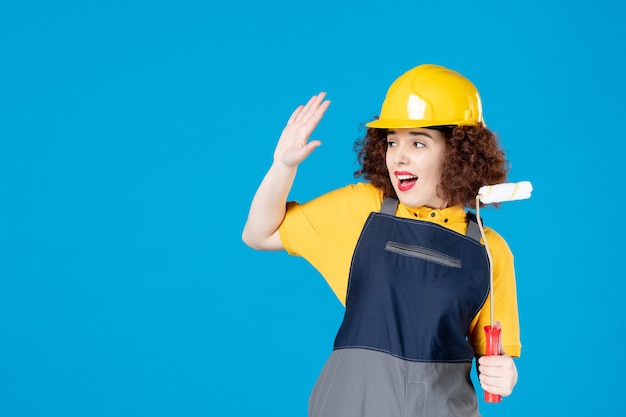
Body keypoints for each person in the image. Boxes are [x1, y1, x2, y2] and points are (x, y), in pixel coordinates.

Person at [242, 64, 520, 417]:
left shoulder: (489, 250)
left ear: (459, 153)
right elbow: (258, 233)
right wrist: (283, 166)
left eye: (418, 142)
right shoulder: (362, 210)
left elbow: (497, 352)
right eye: (392, 142)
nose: (398, 156)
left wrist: (505, 374)